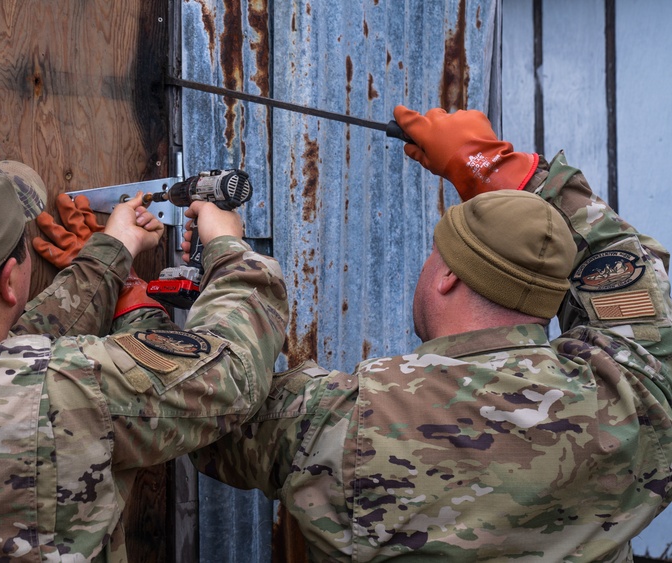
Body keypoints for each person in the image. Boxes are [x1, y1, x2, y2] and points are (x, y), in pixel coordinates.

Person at [188, 107, 672, 561]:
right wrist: (516, 175)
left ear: (448, 276)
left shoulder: (339, 420)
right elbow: (627, 282)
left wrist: (226, 262)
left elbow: (195, 407)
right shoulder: (633, 405)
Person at [0, 145, 289, 561]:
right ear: (11, 280)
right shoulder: (63, 394)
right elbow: (232, 372)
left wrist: (113, 251)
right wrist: (227, 245)